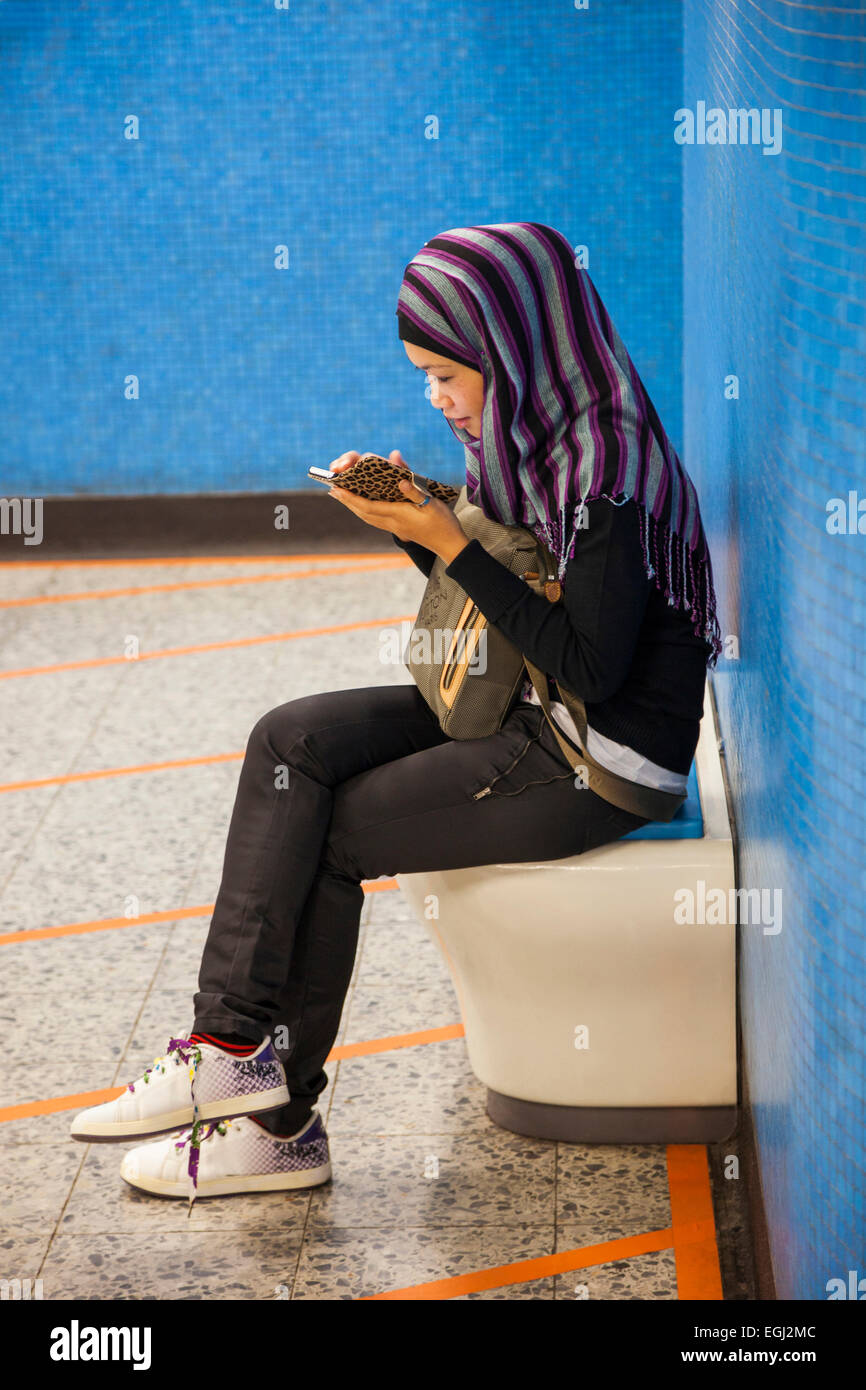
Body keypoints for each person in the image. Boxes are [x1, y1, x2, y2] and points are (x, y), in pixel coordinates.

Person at [69, 222, 722, 1200]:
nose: (435, 397)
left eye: (446, 374)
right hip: (524, 703)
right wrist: (414, 523)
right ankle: (228, 1044)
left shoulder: (603, 469)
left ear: (508, 349)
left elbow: (587, 662)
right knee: (289, 742)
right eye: (422, 375)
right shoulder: (527, 433)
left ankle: (277, 1123)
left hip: (597, 755)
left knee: (334, 831)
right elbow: (510, 587)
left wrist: (443, 538)